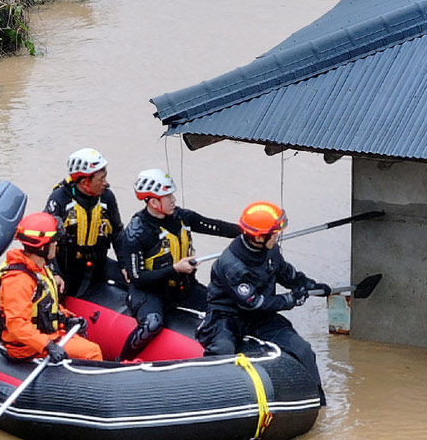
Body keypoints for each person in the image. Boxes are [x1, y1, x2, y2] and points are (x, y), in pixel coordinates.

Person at [197, 201, 330, 399]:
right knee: (223, 352)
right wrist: (291, 299)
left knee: (303, 350)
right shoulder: (231, 265)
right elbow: (254, 303)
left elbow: (286, 273)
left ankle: (316, 399)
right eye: (274, 233)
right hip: (228, 317)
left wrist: (309, 285)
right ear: (259, 237)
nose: (277, 236)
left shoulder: (271, 251)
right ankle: (215, 398)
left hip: (261, 318)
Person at [116, 169, 241, 359]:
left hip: (183, 288)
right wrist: (175, 268)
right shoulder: (136, 232)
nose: (173, 200)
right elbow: (137, 278)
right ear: (153, 201)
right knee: (152, 324)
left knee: (225, 306)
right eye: (168, 196)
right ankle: (122, 360)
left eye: (172, 195)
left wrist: (246, 231)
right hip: (150, 292)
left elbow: (213, 225)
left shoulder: (181, 217)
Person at [0, 212, 105, 362]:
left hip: (41, 335)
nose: (56, 244)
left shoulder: (38, 268)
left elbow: (45, 304)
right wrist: (47, 345)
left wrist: (67, 318)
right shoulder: (19, 280)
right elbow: (17, 325)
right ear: (41, 246)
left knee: (85, 342)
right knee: (92, 351)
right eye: (53, 241)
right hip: (25, 347)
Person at [44, 148, 126, 297]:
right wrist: (54, 273)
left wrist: (125, 266)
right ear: (84, 182)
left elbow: (118, 233)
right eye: (101, 179)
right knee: (55, 293)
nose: (105, 183)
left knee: (135, 282)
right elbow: (46, 240)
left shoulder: (107, 198)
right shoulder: (60, 199)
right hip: (66, 267)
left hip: (98, 264)